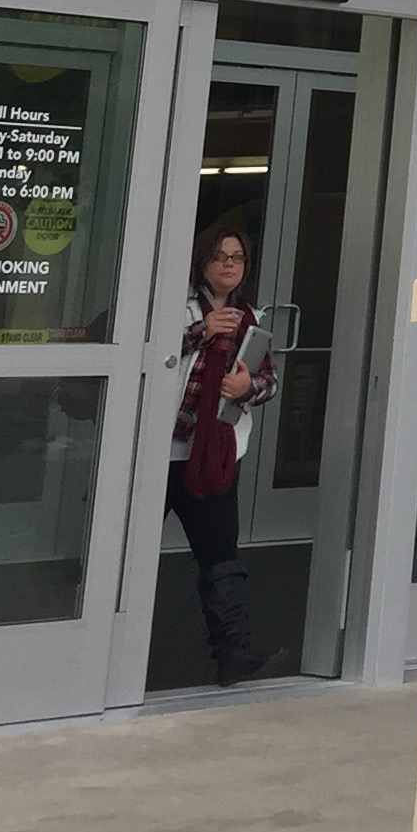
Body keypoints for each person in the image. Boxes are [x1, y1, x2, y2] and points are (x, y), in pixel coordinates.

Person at [168, 226, 277, 687]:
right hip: (159, 450)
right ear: (201, 262)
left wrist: (246, 387)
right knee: (122, 550)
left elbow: (268, 380)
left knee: (220, 556)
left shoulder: (251, 317)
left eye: (238, 258)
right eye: (220, 257)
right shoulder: (176, 304)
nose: (229, 265)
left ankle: (234, 654)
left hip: (213, 453)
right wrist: (199, 332)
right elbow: (149, 354)